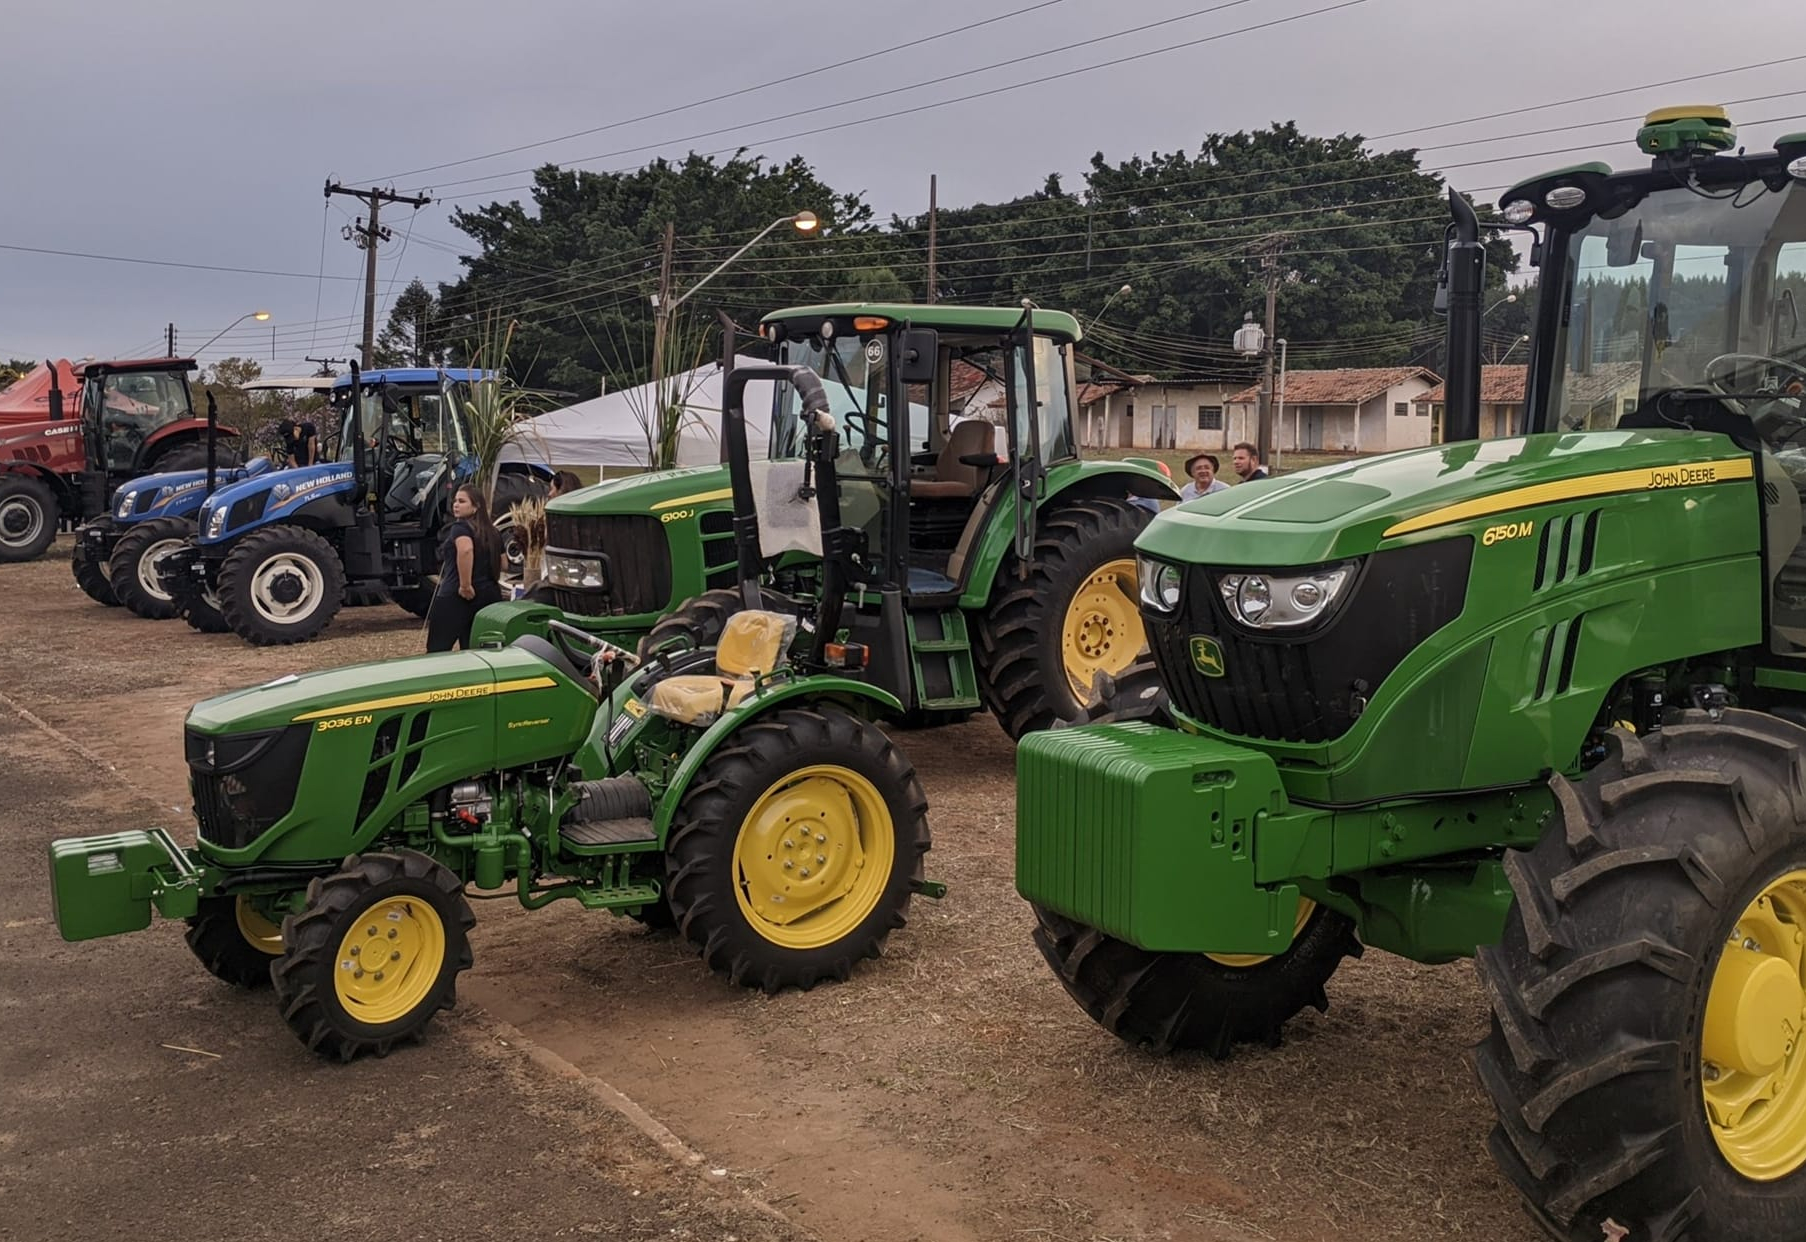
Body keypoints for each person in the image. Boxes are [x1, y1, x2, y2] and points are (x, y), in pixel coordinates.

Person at [427, 484, 504, 652]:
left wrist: (465, 585)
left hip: (457, 595)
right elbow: (503, 562)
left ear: (476, 507)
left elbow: (465, 549)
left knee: (437, 650)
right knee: (476, 650)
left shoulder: (460, 528)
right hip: (489, 594)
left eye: (462, 501)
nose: (456, 504)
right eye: (455, 501)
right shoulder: (494, 532)